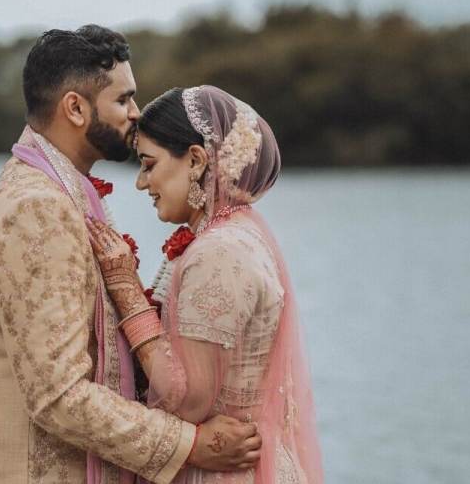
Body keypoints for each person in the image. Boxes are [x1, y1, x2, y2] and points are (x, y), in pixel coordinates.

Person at [0, 26, 261, 484]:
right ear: (75, 108)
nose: (137, 113)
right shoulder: (38, 209)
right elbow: (59, 395)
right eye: (123, 100)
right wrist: (189, 445)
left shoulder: (52, 192)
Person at [87, 86, 324, 483]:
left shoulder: (218, 252)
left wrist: (126, 290)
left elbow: (187, 400)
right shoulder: (236, 234)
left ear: (195, 160)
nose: (142, 183)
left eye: (149, 164)